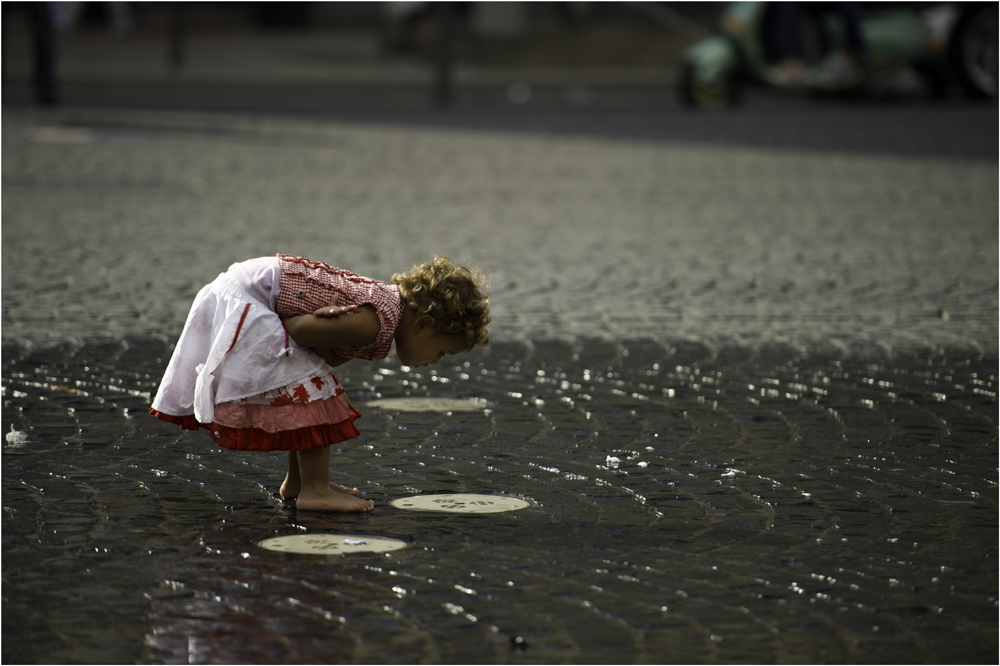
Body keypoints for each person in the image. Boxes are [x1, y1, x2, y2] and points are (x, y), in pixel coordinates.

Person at [149, 254, 491, 513]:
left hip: (245, 290)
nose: (433, 362)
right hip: (247, 300)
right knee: (315, 392)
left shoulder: (383, 318)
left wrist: (321, 342)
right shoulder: (373, 323)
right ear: (425, 324)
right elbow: (298, 332)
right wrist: (317, 328)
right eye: (442, 352)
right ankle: (315, 490)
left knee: (310, 384)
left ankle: (298, 483)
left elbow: (326, 354)